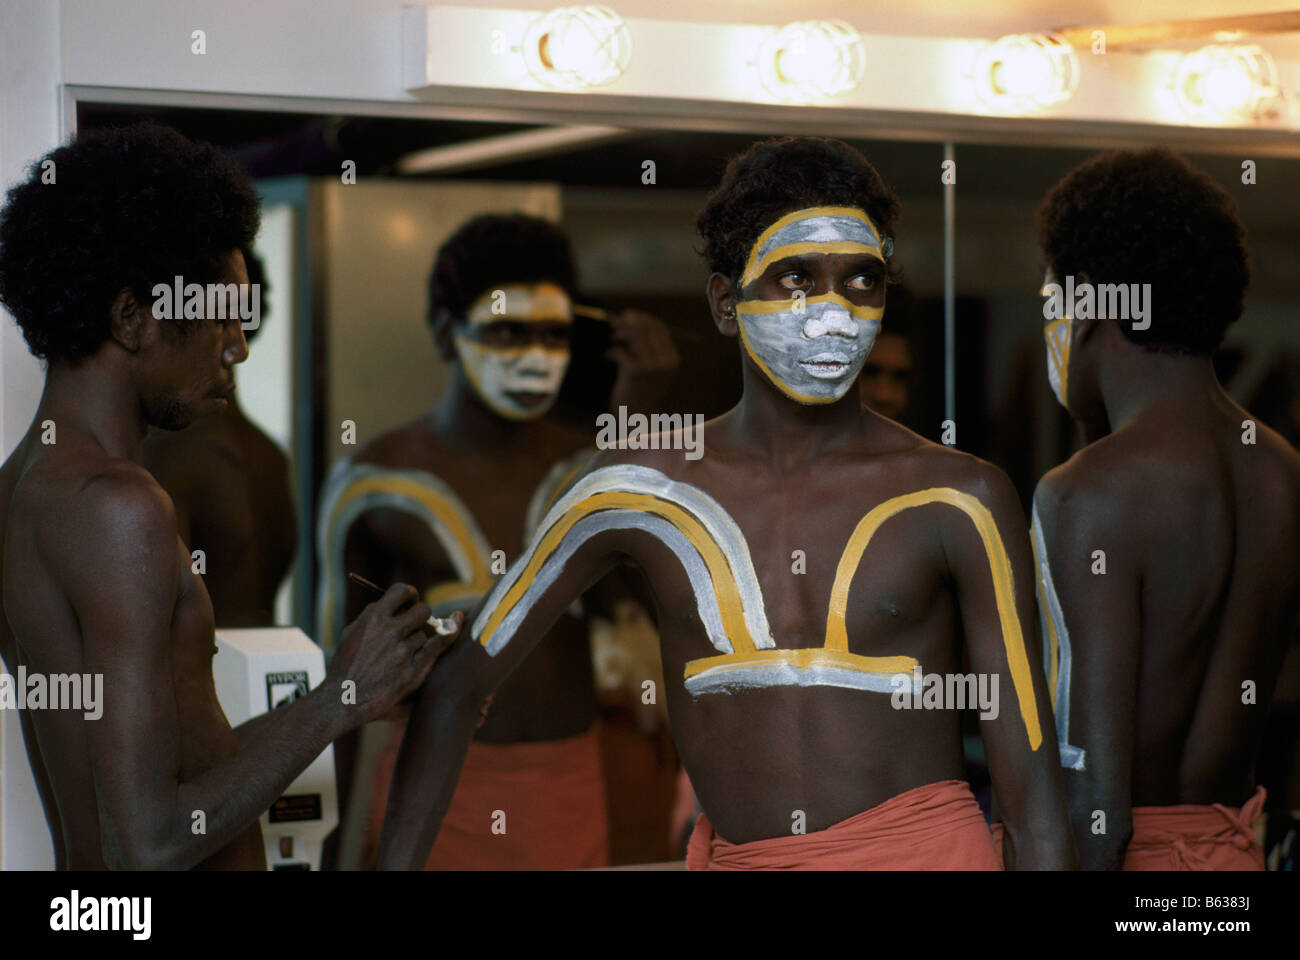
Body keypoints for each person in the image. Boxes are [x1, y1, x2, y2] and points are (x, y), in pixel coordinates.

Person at [378, 137, 1074, 870]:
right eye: (796, 277)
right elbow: (460, 684)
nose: (834, 313)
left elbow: (1032, 800)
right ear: (724, 303)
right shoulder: (632, 487)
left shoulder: (960, 496)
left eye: (862, 281)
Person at [0, 123, 448, 870]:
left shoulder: (24, 489)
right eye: (221, 315)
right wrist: (337, 699)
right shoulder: (121, 508)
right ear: (131, 318)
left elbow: (169, 775)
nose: (238, 345)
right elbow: (151, 842)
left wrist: (358, 689)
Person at [317, 212, 678, 868]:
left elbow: (671, 611)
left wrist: (639, 427)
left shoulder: (594, 470)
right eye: (507, 331)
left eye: (553, 334)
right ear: (445, 331)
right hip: (433, 794)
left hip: (569, 782)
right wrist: (327, 852)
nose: (535, 355)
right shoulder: (374, 483)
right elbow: (336, 688)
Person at [1032, 146, 1300, 869]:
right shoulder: (1281, 471)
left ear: (1087, 304)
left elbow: (1098, 809)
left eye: (1051, 297)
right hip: (1231, 863)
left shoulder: (1086, 491)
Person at [143, 246, 296, 628]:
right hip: (270, 680)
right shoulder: (271, 456)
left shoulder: (169, 456)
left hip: (203, 684)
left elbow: (156, 626)